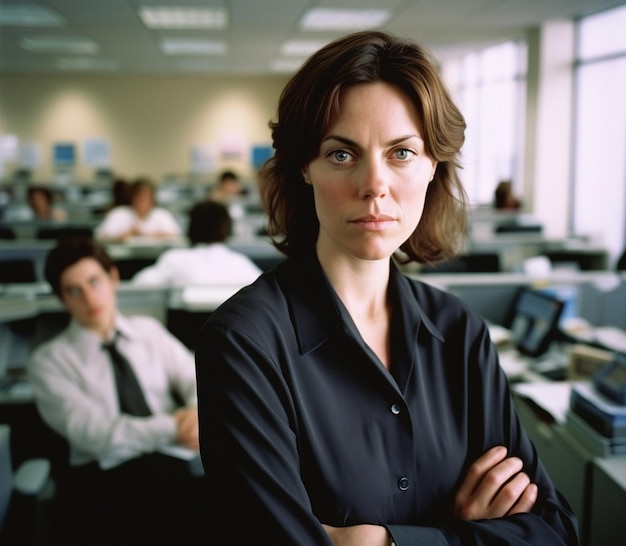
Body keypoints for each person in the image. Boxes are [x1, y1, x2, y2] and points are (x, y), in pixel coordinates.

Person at [195, 31, 578, 545]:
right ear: (304, 167)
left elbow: (553, 531)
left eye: (401, 153)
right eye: (341, 154)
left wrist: (378, 541)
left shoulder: (458, 330)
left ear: (432, 165)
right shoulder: (245, 343)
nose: (374, 184)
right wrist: (462, 532)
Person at [27, 237, 205, 545]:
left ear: (113, 279)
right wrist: (174, 426)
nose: (89, 297)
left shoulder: (148, 331)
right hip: (101, 475)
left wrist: (197, 411)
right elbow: (95, 435)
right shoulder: (48, 361)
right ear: (62, 299)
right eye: (74, 291)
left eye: (94, 282)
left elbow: (198, 378)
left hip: (171, 462)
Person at [132, 199, 262, 286]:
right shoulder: (241, 263)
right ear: (226, 229)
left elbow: (139, 285)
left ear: (191, 228)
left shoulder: (174, 259)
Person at [95, 176, 183, 242]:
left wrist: (161, 235)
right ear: (131, 198)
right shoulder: (119, 213)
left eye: (145, 198)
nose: (142, 202)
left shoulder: (162, 215)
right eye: (138, 198)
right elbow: (99, 236)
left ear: (152, 199)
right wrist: (119, 237)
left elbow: (178, 236)